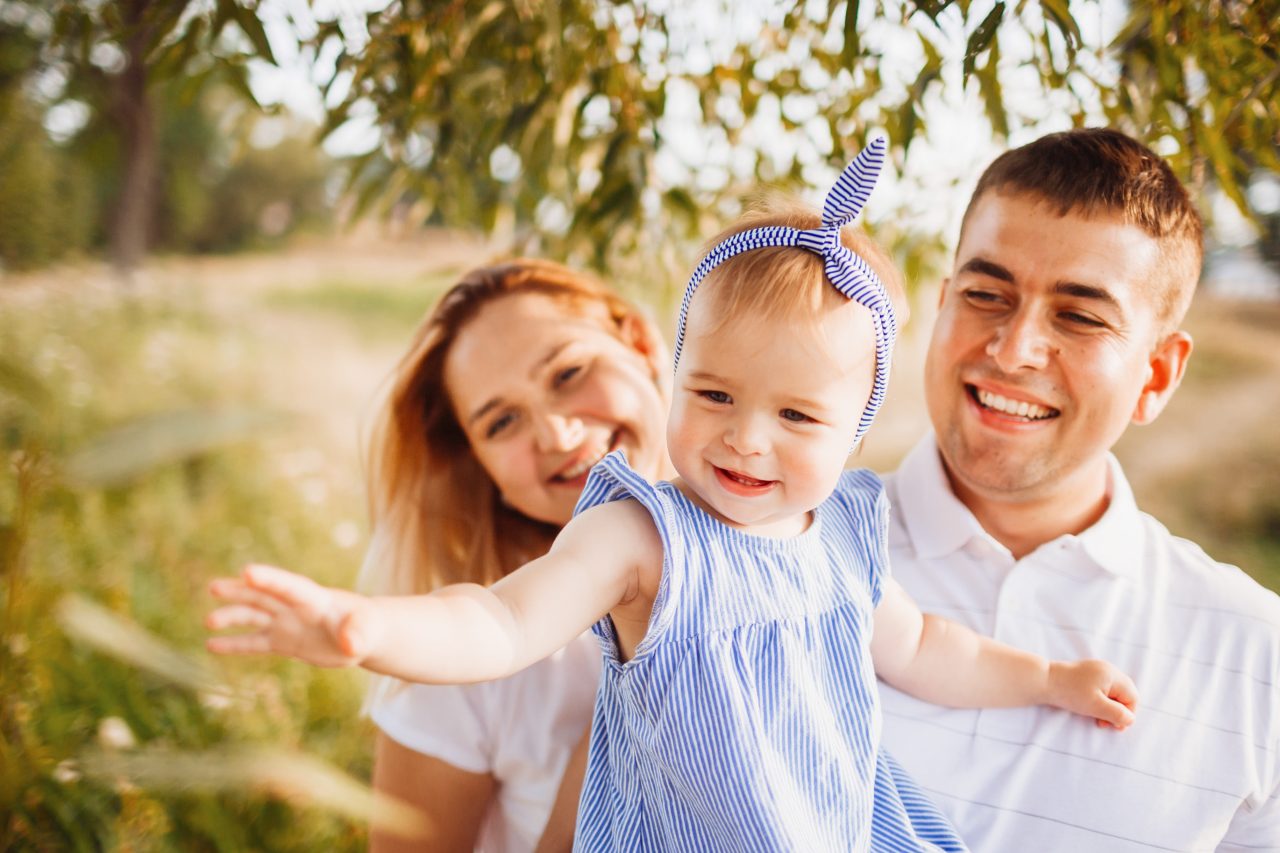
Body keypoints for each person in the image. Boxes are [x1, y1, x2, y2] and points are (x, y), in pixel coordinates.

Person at [207, 140, 1140, 851]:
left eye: (797, 417)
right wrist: (362, 626)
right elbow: (500, 622)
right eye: (717, 395)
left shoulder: (846, 529)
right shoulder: (638, 535)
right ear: (678, 365)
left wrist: (1050, 678)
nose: (746, 437)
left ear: (855, 428)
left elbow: (927, 646)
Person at [878, 128, 1280, 851]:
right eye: (985, 293)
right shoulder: (775, 547)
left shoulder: (1258, 658)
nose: (1012, 347)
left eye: (1080, 315)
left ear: (1156, 375)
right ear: (942, 305)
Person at [350, 258, 673, 851]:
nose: (555, 435)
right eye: (502, 422)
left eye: (568, 372)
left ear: (642, 344)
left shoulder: (816, 543)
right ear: (482, 467)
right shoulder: (465, 667)